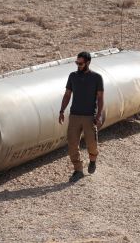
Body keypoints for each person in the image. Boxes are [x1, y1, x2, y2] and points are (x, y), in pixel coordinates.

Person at [59, 51, 104, 183]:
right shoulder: (72, 76)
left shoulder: (97, 78)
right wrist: (61, 110)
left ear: (88, 63)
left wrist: (99, 114)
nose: (78, 65)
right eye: (77, 63)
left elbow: (101, 98)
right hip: (74, 116)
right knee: (72, 144)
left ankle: (92, 160)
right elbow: (67, 95)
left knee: (92, 143)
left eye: (81, 63)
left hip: (90, 116)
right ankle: (78, 169)